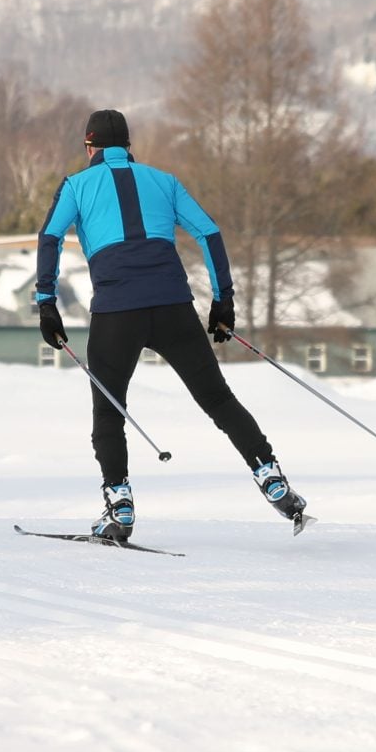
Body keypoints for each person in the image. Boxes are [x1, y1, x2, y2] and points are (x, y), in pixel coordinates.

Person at [34, 109, 306, 542]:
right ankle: (270, 475)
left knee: (110, 411)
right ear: (128, 144)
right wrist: (224, 300)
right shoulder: (164, 180)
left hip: (116, 313)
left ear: (90, 147)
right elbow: (210, 233)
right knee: (217, 398)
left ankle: (119, 506)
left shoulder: (76, 185)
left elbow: (49, 237)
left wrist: (46, 304)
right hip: (172, 307)